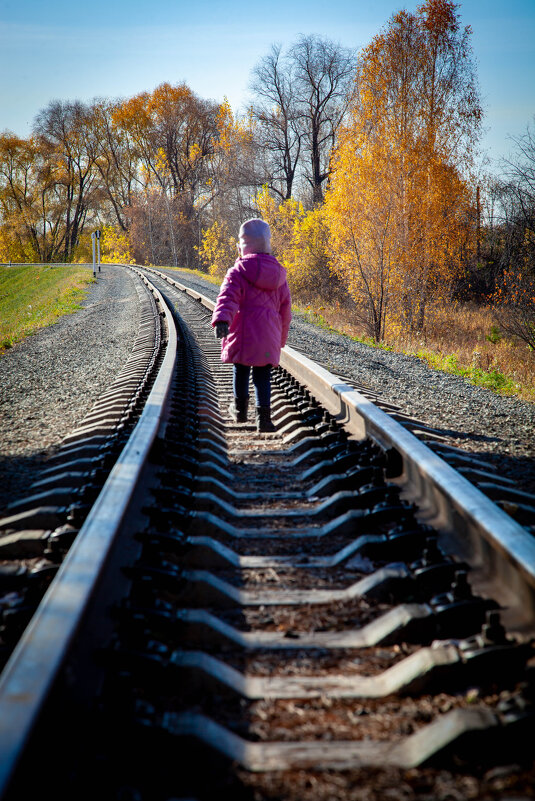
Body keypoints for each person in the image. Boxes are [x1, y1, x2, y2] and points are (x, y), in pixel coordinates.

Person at [211, 218, 292, 433]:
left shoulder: (237, 272)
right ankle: (263, 419)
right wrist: (280, 340)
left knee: (241, 368)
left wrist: (222, 320)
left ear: (243, 246)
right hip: (269, 336)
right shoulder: (279, 276)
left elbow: (227, 298)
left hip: (244, 333)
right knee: (263, 375)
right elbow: (286, 312)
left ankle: (239, 412)